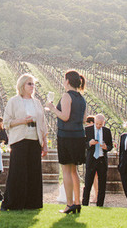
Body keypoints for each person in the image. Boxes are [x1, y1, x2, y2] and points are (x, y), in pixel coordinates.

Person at [0, 73, 48, 211]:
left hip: (35, 140)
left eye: (33, 84)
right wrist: (22, 121)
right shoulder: (13, 101)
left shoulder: (37, 103)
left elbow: (43, 124)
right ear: (22, 85)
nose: (32, 86)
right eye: (29, 84)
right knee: (18, 172)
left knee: (34, 172)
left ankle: (32, 204)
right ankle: (13, 203)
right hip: (19, 140)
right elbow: (6, 123)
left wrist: (44, 143)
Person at [46, 69, 86, 214]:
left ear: (67, 81)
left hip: (66, 136)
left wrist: (52, 108)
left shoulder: (66, 96)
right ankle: (78, 203)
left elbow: (64, 116)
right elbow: (84, 119)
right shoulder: (81, 98)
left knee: (66, 171)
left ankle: (69, 204)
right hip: (79, 136)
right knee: (74, 171)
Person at [82, 114, 113, 207]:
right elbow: (82, 144)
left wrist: (106, 147)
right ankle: (85, 203)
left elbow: (110, 145)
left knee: (102, 184)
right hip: (91, 159)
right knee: (88, 183)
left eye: (100, 124)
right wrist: (89, 143)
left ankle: (100, 204)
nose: (98, 126)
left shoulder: (107, 131)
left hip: (102, 159)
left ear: (104, 123)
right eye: (97, 124)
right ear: (94, 122)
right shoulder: (87, 130)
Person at [85, 115, 98, 201]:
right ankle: (95, 194)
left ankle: (96, 195)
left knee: (95, 177)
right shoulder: (88, 132)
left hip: (97, 157)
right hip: (90, 157)